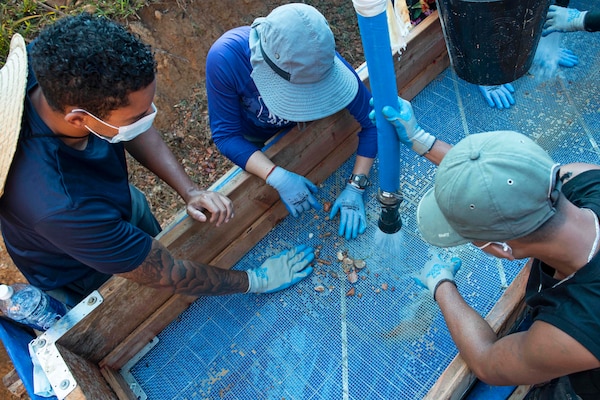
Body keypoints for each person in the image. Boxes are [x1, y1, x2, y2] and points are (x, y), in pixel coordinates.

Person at [0, 14, 315, 309]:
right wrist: (257, 280)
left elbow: (130, 126)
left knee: (153, 238)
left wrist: (189, 190)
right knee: (141, 298)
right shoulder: (59, 205)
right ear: (80, 120)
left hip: (111, 200)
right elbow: (171, 274)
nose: (149, 117)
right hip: (79, 265)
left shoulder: (54, 66)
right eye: (138, 115)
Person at [377, 96, 600, 398]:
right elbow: (503, 179)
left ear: (501, 249)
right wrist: (424, 142)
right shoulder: (580, 178)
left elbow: (486, 359)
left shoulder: (573, 330)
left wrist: (441, 284)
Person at [206, 3, 377, 240]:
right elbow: (226, 136)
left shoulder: (314, 55)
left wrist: (356, 185)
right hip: (255, 133)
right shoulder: (226, 58)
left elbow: (372, 121)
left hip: (297, 128)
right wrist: (275, 174)